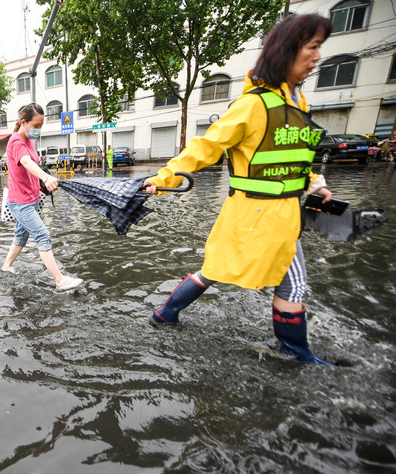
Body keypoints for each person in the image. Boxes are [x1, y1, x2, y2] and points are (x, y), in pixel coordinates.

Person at [142, 14, 335, 365]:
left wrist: (315, 184)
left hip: (281, 212)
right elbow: (204, 146)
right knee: (290, 282)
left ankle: (165, 314)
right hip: (261, 214)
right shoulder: (253, 105)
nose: (318, 57)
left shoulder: (297, 103)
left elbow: (290, 159)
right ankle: (294, 350)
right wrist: (162, 180)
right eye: (313, 47)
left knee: (215, 268)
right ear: (287, 51)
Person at [1, 103, 83, 291]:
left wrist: (42, 183)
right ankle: (60, 280)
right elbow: (26, 162)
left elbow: (32, 167)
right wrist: (45, 177)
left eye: (41, 126)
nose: (38, 130)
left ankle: (6, 267)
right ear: (24, 122)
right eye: (36, 126)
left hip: (31, 198)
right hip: (20, 202)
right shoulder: (16, 142)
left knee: (21, 236)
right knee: (42, 235)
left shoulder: (29, 140)